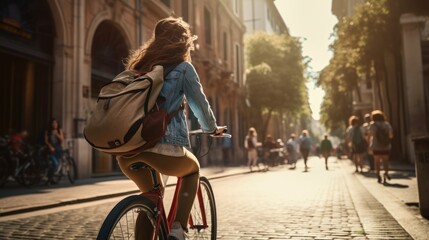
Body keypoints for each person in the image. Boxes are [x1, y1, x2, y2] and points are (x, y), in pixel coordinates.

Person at [116, 17, 225, 240]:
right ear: (183, 42)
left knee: (150, 197)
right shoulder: (183, 68)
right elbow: (200, 106)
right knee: (192, 169)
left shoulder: (139, 65)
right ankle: (177, 230)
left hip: (126, 152)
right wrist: (212, 128)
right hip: (162, 147)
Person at [368, 110, 393, 183]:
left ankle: (378, 175)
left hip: (376, 146)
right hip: (385, 146)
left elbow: (370, 135)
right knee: (386, 161)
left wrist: (369, 145)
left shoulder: (372, 125)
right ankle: (386, 173)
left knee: (377, 162)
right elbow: (391, 135)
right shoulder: (386, 124)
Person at [45, 118, 64, 184]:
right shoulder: (48, 131)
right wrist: (50, 147)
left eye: (56, 123)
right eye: (53, 123)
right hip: (51, 149)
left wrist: (56, 134)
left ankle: (51, 178)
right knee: (55, 164)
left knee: (57, 165)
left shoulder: (59, 130)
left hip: (58, 149)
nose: (54, 124)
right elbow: (46, 141)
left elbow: (62, 140)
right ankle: (48, 179)